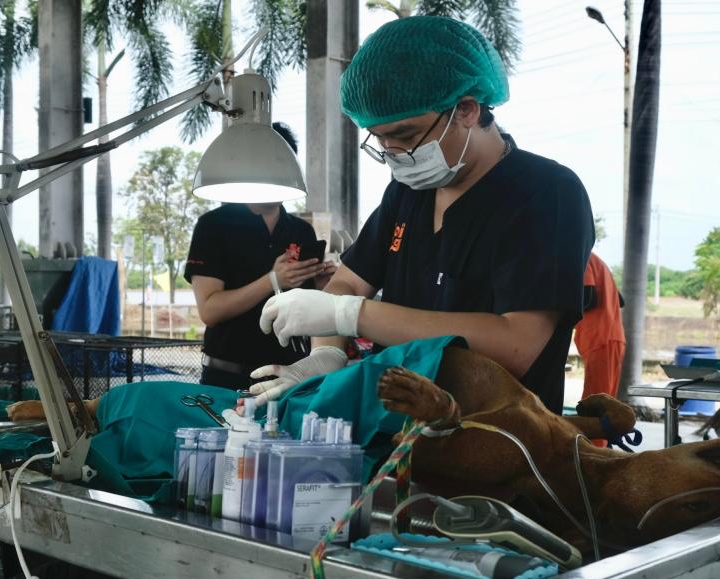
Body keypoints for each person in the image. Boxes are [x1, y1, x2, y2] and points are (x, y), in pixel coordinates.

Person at [249, 17, 595, 414]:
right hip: (397, 434)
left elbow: (516, 344)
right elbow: (346, 282)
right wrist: (327, 352)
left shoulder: (545, 193)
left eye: (407, 136)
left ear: (466, 109)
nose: (393, 153)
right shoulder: (408, 194)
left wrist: (351, 315)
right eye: (380, 139)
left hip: (501, 446)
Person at [184, 123, 336, 390]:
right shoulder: (214, 226)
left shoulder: (300, 230)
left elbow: (310, 307)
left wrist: (323, 285)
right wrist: (272, 281)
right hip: (226, 377)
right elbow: (210, 311)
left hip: (289, 375)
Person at [574, 253, 626, 399]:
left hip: (600, 339)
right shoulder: (597, 262)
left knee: (594, 403)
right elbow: (620, 300)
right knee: (606, 400)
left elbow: (589, 299)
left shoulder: (579, 257)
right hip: (613, 338)